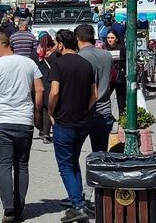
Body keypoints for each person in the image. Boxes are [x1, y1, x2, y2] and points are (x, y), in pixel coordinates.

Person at [0, 32, 44, 222]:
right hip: (24, 121)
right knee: (22, 165)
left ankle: (8, 209)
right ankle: (20, 207)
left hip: (1, 123)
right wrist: (37, 113)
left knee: (4, 165)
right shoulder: (29, 63)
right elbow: (39, 89)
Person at [48, 30, 97, 223]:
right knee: (73, 161)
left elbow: (54, 92)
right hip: (82, 121)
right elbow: (95, 93)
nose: (54, 47)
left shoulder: (58, 64)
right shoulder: (86, 64)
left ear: (61, 44)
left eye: (55, 44)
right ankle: (80, 202)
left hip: (64, 121)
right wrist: (85, 109)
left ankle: (77, 205)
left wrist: (51, 112)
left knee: (65, 165)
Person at [76, 24, 114, 152]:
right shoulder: (107, 55)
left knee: (73, 152)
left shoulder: (80, 58)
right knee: (101, 152)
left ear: (77, 39)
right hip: (104, 109)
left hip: (85, 111)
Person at [30, 33, 56, 144]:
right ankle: (45, 133)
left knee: (36, 108)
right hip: (49, 83)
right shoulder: (54, 55)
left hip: (36, 84)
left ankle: (40, 128)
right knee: (47, 109)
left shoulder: (34, 54)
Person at [105, 30, 126, 115]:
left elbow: (125, 62)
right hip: (109, 77)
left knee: (121, 99)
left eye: (112, 38)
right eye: (108, 38)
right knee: (106, 98)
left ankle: (123, 117)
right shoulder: (105, 49)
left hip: (119, 76)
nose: (110, 40)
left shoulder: (121, 48)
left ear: (116, 39)